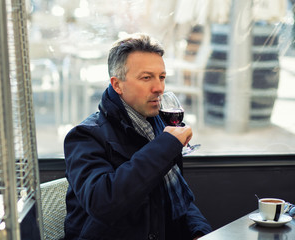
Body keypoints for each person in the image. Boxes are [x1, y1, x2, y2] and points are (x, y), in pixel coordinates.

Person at [63, 33, 212, 240]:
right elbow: (103, 203)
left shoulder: (159, 123)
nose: (159, 88)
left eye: (161, 77)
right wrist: (165, 146)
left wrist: (200, 232)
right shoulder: (85, 136)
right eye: (146, 77)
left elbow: (176, 198)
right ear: (117, 85)